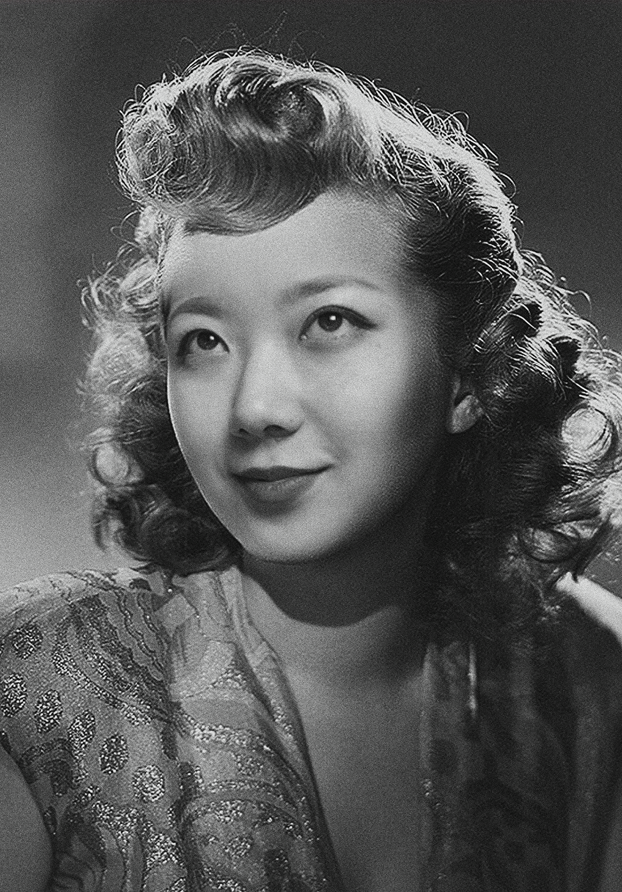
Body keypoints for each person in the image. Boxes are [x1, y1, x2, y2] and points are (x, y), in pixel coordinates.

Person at [1, 48, 622, 892]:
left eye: (329, 322)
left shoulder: (587, 676)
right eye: (203, 341)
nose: (255, 407)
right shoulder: (38, 684)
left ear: (469, 374)